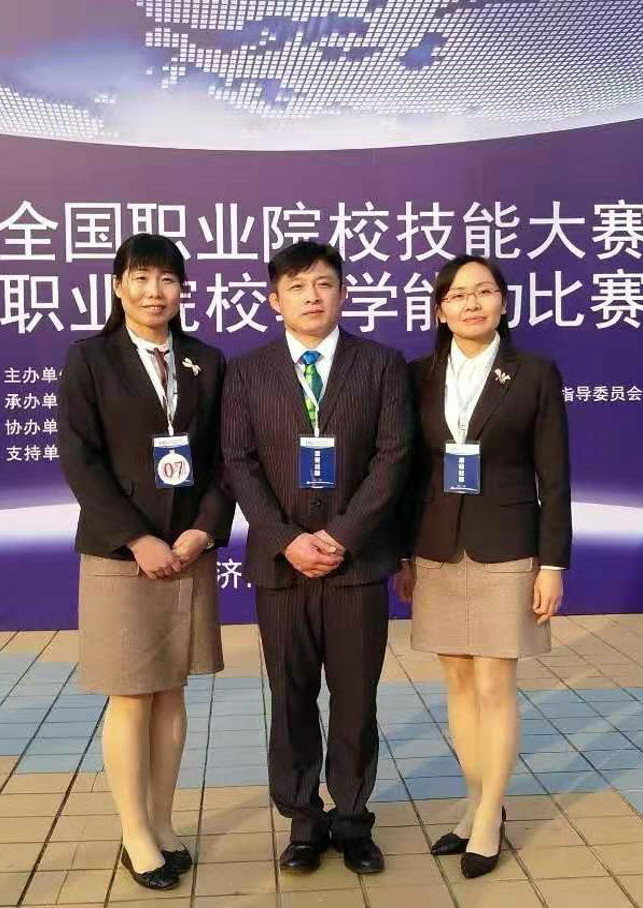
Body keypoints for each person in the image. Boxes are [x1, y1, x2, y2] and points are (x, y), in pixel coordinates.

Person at [222, 240, 413, 875]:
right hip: (282, 568)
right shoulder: (246, 372)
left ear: (343, 293)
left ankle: (354, 821)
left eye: (325, 283)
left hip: (355, 565)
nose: (312, 296)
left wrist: (342, 535)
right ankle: (303, 822)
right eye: (297, 286)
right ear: (273, 300)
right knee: (291, 697)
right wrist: (285, 538)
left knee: (356, 699)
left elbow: (393, 457)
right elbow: (238, 462)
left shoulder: (380, 364)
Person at [58, 233, 234, 891]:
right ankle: (134, 834)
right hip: (121, 554)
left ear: (182, 290)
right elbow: (80, 459)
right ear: (117, 286)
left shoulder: (205, 361)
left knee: (171, 690)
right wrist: (137, 538)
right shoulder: (90, 359)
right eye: (140, 277)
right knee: (131, 694)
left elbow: (225, 459)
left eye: (166, 279)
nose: (153, 292)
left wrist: (202, 531)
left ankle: (162, 821)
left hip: (187, 550)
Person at [392, 254, 572, 879]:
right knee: (459, 683)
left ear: (502, 302)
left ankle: (490, 816)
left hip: (507, 548)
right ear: (440, 310)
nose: (472, 304)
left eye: (484, 291)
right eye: (458, 295)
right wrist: (403, 554)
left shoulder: (534, 374)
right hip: (437, 548)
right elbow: (408, 474)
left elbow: (555, 477)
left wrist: (552, 563)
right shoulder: (417, 376)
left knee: (495, 685)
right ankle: (475, 802)